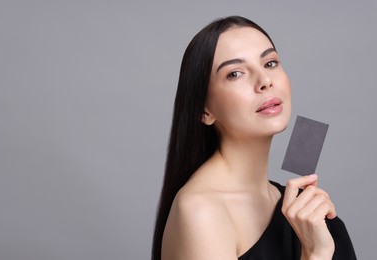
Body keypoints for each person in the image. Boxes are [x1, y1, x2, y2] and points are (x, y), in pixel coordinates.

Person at [152, 16, 356, 260]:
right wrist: (316, 254)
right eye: (235, 73)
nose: (265, 81)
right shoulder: (200, 211)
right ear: (204, 110)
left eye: (270, 63)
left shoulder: (304, 208)